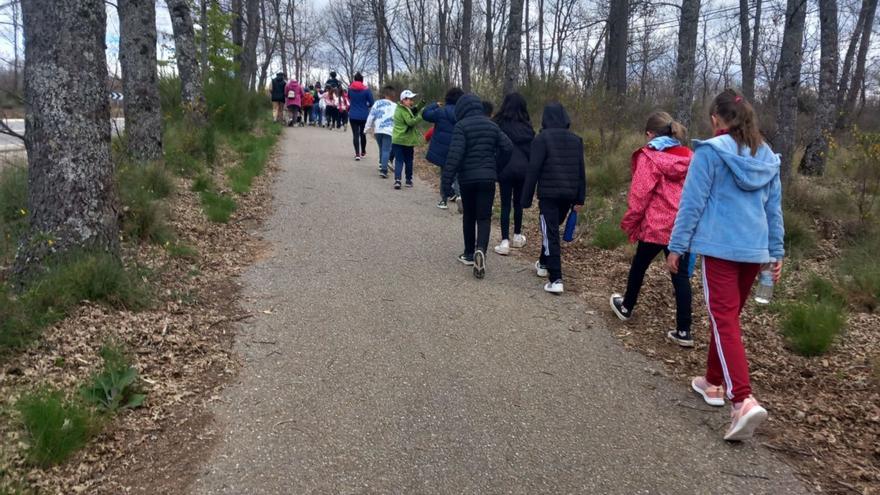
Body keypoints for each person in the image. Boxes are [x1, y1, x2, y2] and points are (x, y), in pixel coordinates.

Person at [666, 89, 783, 441]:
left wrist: (676, 245)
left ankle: (741, 400)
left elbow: (692, 203)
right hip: (755, 251)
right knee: (727, 320)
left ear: (716, 119)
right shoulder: (767, 156)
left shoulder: (710, 153)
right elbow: (773, 210)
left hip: (720, 249)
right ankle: (713, 383)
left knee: (723, 319)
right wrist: (775, 254)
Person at [609, 111, 694, 347]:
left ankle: (626, 306)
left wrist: (631, 222)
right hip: (682, 226)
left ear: (650, 134)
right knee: (681, 276)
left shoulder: (650, 157)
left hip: (656, 225)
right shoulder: (691, 157)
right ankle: (684, 330)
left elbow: (640, 194)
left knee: (639, 265)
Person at [442, 93, 513, 280]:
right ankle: (481, 250)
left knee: (469, 216)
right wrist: (496, 167)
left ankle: (468, 253)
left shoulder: (461, 126)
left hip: (467, 179)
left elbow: (454, 156)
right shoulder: (492, 125)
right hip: (488, 178)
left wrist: (446, 182)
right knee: (484, 217)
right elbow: (508, 147)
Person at [521, 102, 586, 294]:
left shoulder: (541, 139)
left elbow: (533, 170)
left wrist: (525, 199)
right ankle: (543, 263)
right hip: (569, 194)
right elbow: (581, 171)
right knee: (551, 229)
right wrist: (580, 198)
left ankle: (556, 278)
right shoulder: (576, 140)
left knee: (550, 233)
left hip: (549, 194)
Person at [492, 92, 534, 255]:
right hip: (523, 169)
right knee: (518, 203)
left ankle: (504, 242)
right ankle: (517, 236)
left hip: (505, 168)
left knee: (505, 204)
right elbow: (532, 151)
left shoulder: (499, 123)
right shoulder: (527, 126)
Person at [423, 87, 464, 209]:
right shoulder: (462, 113)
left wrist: (434, 105)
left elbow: (425, 114)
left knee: (444, 174)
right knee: (457, 174)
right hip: (458, 148)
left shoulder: (441, 111)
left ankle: (443, 201)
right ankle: (460, 196)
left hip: (442, 149)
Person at [391, 89, 424, 190]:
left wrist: (421, 104)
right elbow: (410, 122)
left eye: (412, 99)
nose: (412, 101)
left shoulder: (402, 108)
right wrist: (420, 116)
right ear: (403, 100)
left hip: (397, 139)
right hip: (406, 140)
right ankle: (408, 180)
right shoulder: (403, 110)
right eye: (409, 99)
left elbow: (413, 110)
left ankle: (398, 180)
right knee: (408, 160)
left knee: (399, 160)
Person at [365, 85, 397, 178]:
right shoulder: (395, 106)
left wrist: (367, 127)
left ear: (384, 94)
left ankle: (381, 163)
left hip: (378, 130)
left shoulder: (377, 103)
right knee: (386, 149)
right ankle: (384, 170)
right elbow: (397, 119)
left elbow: (371, 115)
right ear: (393, 95)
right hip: (389, 130)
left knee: (382, 148)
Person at [347, 72, 375, 161]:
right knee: (363, 134)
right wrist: (366, 105)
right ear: (362, 80)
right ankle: (363, 152)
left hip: (353, 115)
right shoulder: (366, 90)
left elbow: (349, 98)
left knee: (355, 135)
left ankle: (357, 154)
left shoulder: (350, 89)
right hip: (364, 115)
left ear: (355, 80)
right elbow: (372, 103)